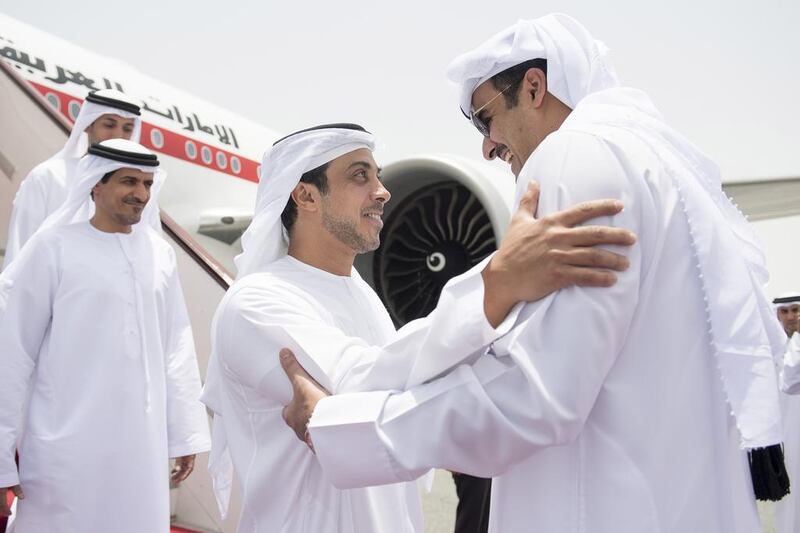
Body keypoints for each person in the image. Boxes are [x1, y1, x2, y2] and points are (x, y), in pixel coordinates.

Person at [279, 14, 789, 533]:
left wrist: (341, 428)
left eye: (484, 117)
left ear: (534, 86)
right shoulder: (659, 169)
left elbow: (535, 396)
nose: (486, 145)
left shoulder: (577, 151)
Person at [200, 123, 635, 532]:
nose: (382, 192)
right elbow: (359, 385)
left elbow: (406, 388)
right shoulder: (257, 300)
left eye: (379, 176)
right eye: (360, 176)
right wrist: (495, 285)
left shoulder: (361, 295)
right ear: (306, 197)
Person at [0, 139, 210, 532]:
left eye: (148, 183)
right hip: (66, 442)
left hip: (140, 445)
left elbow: (176, 348)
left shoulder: (159, 254)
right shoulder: (53, 247)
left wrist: (183, 435)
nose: (141, 194)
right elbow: (12, 353)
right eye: (129, 182)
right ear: (96, 183)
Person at [3, 89, 141, 268]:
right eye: (109, 125)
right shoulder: (48, 177)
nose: (118, 136)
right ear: (88, 125)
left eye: (127, 129)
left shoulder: (138, 192)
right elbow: (20, 250)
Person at [774, 292, 800, 533]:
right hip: (784, 437)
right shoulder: (771, 349)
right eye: (785, 311)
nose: (791, 317)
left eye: (796, 309)